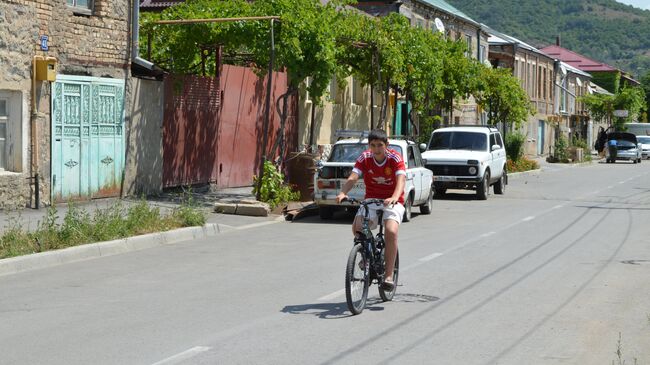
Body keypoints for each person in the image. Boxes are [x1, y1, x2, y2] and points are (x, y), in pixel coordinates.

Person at [335, 129, 406, 290]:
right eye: (373, 145)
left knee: (391, 231)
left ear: (386, 144)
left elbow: (401, 179)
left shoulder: (395, 157)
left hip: (393, 201)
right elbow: (353, 176)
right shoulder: (365, 157)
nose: (376, 149)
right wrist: (342, 193)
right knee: (358, 227)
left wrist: (395, 196)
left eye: (380, 145)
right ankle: (367, 253)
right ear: (369, 146)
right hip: (372, 200)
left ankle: (388, 276)